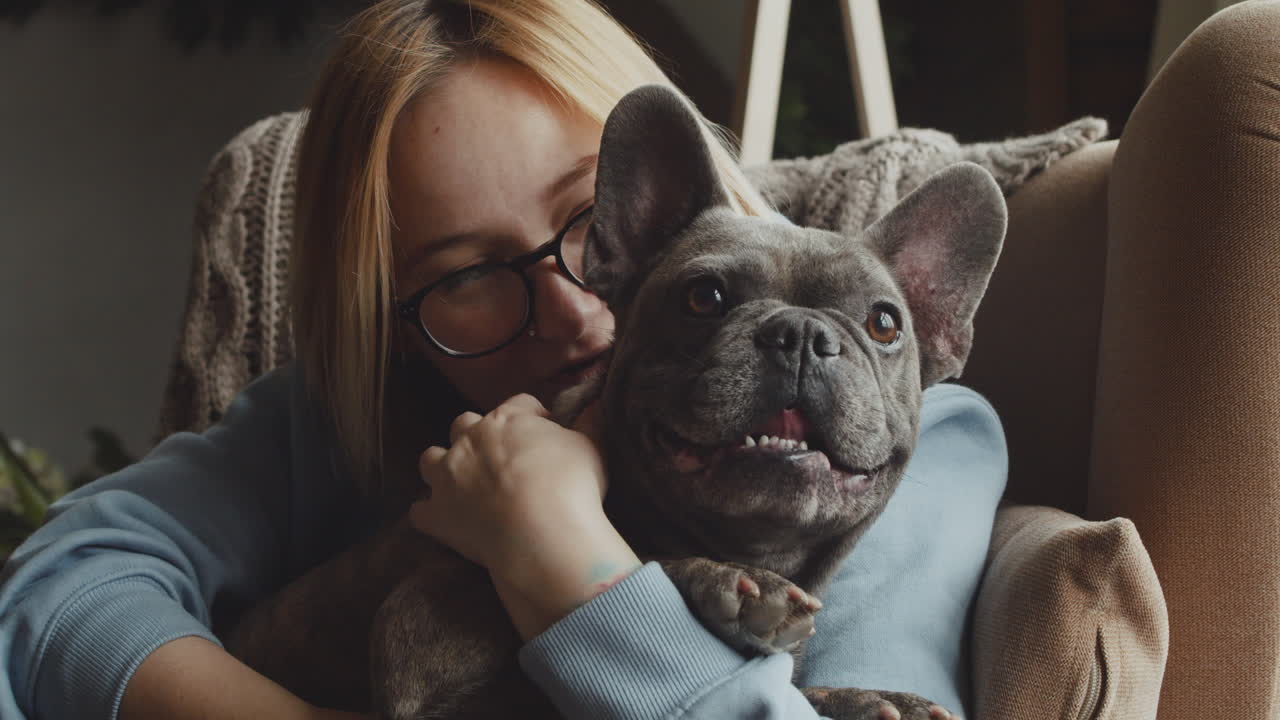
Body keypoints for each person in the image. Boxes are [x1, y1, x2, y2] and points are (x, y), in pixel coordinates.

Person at [2, 1, 1276, 719]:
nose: (565, 306)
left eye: (584, 224)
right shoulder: (347, 410)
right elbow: (53, 587)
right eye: (464, 278)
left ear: (649, 211)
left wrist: (567, 562)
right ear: (385, 315)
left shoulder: (893, 439)